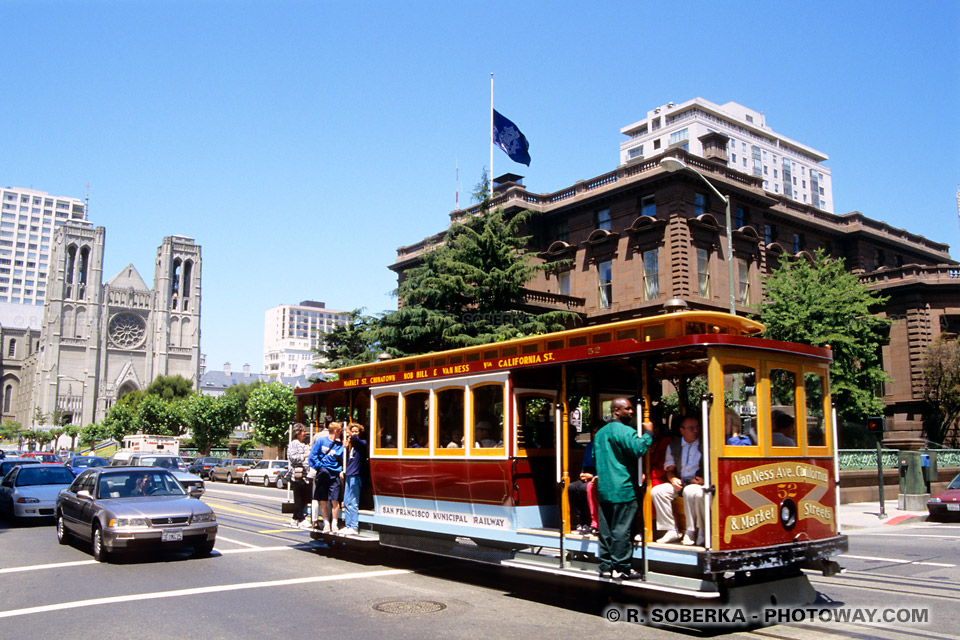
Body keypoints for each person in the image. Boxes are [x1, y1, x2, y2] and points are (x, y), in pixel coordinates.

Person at [593, 397, 653, 580]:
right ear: (616, 411)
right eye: (628, 409)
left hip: (604, 489)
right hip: (623, 489)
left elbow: (597, 458)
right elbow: (638, 449)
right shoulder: (626, 431)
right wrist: (649, 433)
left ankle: (605, 567)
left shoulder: (600, 434)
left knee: (606, 530)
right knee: (621, 530)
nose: (632, 411)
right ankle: (621, 568)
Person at [651, 415, 706, 546]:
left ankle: (693, 531)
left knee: (691, 492)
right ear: (682, 430)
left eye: (697, 428)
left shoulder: (705, 444)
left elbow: (713, 466)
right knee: (658, 491)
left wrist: (704, 479)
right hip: (681, 481)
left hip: (697, 483)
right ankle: (671, 529)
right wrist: (673, 479)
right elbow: (669, 469)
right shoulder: (674, 445)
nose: (696, 431)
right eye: (691, 428)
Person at [308, 421, 345, 533]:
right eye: (340, 431)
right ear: (335, 431)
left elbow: (343, 459)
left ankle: (334, 524)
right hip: (323, 473)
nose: (341, 433)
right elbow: (312, 456)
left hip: (334, 474)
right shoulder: (321, 441)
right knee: (323, 500)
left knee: (335, 500)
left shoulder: (340, 446)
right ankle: (326, 524)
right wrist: (320, 466)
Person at [568, 424, 600, 535]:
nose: (595, 434)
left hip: (597, 477)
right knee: (572, 487)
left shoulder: (605, 446)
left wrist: (592, 476)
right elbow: (585, 465)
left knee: (584, 488)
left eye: (597, 432)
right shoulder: (589, 446)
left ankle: (590, 522)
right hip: (589, 475)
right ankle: (580, 522)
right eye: (593, 432)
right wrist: (583, 474)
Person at [341, 422, 368, 536]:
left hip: (356, 476)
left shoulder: (362, 443)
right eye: (353, 431)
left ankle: (354, 526)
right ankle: (348, 525)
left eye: (357, 431)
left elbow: (357, 440)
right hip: (349, 474)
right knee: (347, 501)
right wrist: (346, 448)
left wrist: (351, 433)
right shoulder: (351, 447)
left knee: (353, 502)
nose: (354, 434)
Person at [286, 423, 313, 529]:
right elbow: (292, 457)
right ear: (298, 433)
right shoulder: (294, 443)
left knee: (305, 497)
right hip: (297, 475)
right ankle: (300, 518)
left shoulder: (304, 444)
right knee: (298, 497)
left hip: (305, 475)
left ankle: (294, 518)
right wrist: (305, 455)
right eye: (303, 431)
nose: (305, 433)